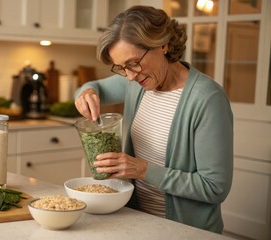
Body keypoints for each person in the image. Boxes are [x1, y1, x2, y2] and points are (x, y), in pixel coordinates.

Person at [75, 5, 233, 234]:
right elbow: (92, 87)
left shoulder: (207, 99)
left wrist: (141, 170)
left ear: (163, 44)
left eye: (133, 63)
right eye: (121, 68)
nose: (129, 76)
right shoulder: (137, 83)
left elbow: (214, 187)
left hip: (186, 232)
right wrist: (87, 93)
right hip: (137, 224)